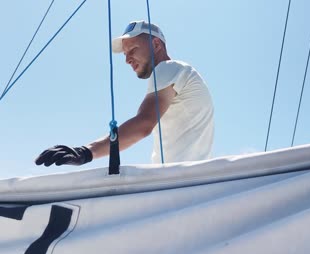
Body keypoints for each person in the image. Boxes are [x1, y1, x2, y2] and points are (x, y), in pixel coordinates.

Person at [35, 20, 214, 167]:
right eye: (125, 54)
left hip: (176, 184)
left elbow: (144, 123)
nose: (127, 60)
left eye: (133, 49)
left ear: (156, 44)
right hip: (186, 182)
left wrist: (86, 152)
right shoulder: (183, 72)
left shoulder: (168, 68)